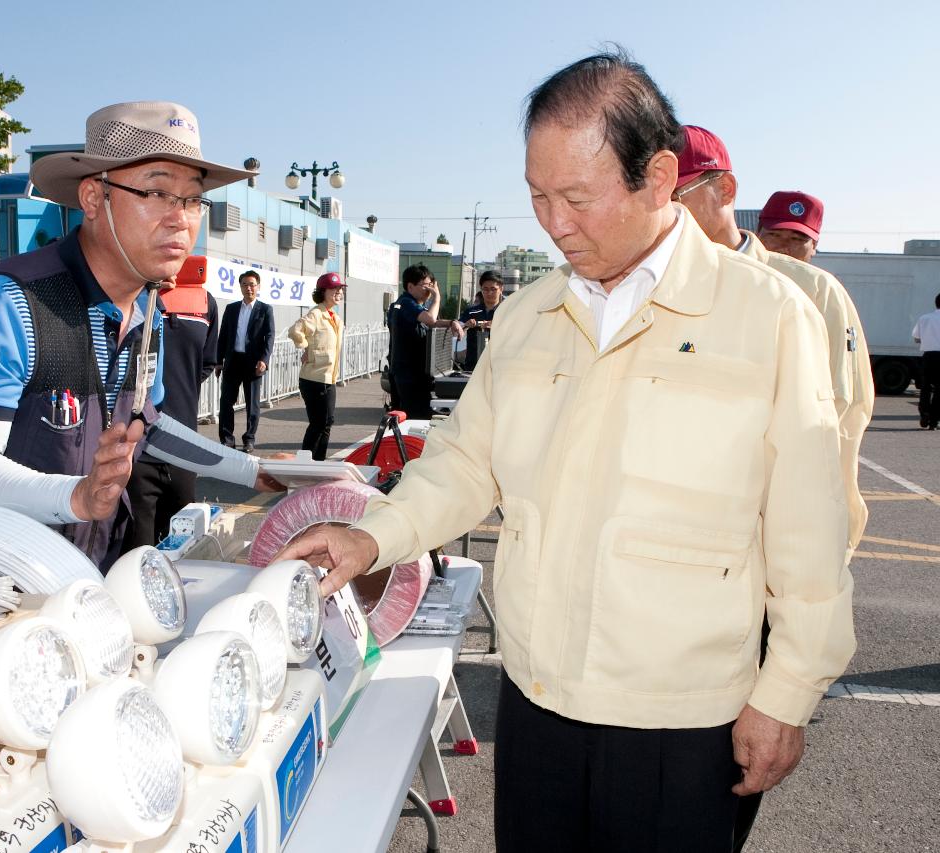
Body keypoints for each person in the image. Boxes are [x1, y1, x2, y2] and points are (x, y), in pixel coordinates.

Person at [278, 50, 854, 852]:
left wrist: (788, 691)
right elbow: (464, 462)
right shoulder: (528, 316)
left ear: (657, 179)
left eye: (577, 198)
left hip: (681, 719)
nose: (553, 223)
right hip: (538, 702)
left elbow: (809, 526)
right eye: (537, 196)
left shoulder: (767, 316)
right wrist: (375, 533)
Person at [0, 101, 279, 571]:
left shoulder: (148, 308)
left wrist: (255, 470)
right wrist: (76, 496)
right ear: (95, 198)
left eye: (193, 198)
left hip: (94, 571)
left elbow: (148, 425)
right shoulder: (6, 301)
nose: (181, 218)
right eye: (157, 193)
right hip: (1, 586)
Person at [672, 124, 875, 850]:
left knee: (736, 751)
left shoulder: (808, 295)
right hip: (680, 568)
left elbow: (835, 428)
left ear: (724, 193)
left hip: (763, 558)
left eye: (675, 194)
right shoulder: (655, 279)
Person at [123, 277, 220, 548]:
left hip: (184, 446)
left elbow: (207, 362)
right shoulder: (127, 292)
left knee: (181, 546)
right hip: (136, 448)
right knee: (136, 550)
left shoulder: (204, 301)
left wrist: (177, 389)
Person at [387, 264, 462, 419]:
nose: (429, 290)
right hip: (408, 375)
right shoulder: (405, 303)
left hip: (413, 373)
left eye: (431, 286)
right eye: (425, 286)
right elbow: (430, 319)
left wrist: (451, 322)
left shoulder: (410, 306)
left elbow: (431, 321)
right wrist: (437, 298)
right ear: (410, 286)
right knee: (413, 417)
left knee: (416, 415)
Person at [288, 272, 346, 460]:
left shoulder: (335, 318)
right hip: (314, 379)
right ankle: (305, 463)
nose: (339, 292)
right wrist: (305, 347)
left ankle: (318, 462)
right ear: (323, 291)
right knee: (318, 423)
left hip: (329, 378)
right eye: (334, 288)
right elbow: (295, 330)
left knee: (327, 422)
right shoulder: (316, 314)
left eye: (340, 289)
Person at [216, 270, 274, 452]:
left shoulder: (265, 309)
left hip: (253, 364)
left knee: (252, 404)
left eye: (252, 284)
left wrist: (264, 360)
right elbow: (223, 335)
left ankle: (249, 438)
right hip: (233, 361)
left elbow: (270, 336)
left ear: (258, 286)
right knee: (226, 402)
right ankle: (227, 439)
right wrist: (218, 361)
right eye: (245, 284)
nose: (249, 288)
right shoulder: (232, 309)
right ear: (240, 286)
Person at [758, 190, 823, 263]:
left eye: (796, 239)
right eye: (775, 235)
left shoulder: (819, 275)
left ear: (814, 245)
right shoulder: (743, 272)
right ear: (757, 235)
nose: (783, 248)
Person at [461, 270, 504, 370]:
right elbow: (457, 329)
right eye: (485, 289)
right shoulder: (471, 312)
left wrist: (496, 325)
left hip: (499, 367)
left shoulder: (508, 311)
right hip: (473, 367)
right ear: (481, 289)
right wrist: (465, 325)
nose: (489, 293)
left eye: (493, 289)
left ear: (501, 289)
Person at [914, 293, 940, 429]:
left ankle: (924, 414)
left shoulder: (924, 318)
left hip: (928, 356)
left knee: (926, 387)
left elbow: (916, 338)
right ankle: (934, 421)